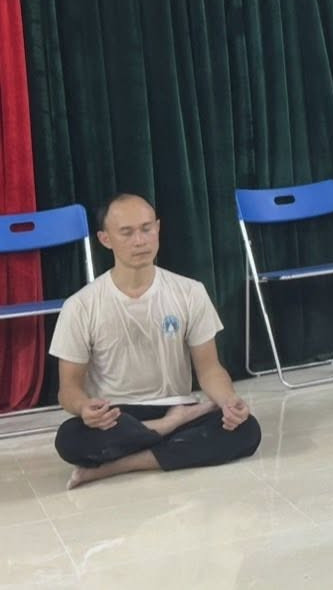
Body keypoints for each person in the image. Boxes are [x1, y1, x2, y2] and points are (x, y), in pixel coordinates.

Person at [50, 194, 261, 489]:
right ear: (105, 239)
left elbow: (210, 368)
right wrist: (85, 407)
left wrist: (228, 401)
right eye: (127, 232)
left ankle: (116, 465)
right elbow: (69, 388)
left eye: (147, 229)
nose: (140, 241)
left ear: (158, 228)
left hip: (177, 404)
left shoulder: (190, 291)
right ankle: (167, 430)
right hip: (118, 416)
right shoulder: (80, 305)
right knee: (69, 438)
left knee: (246, 430)